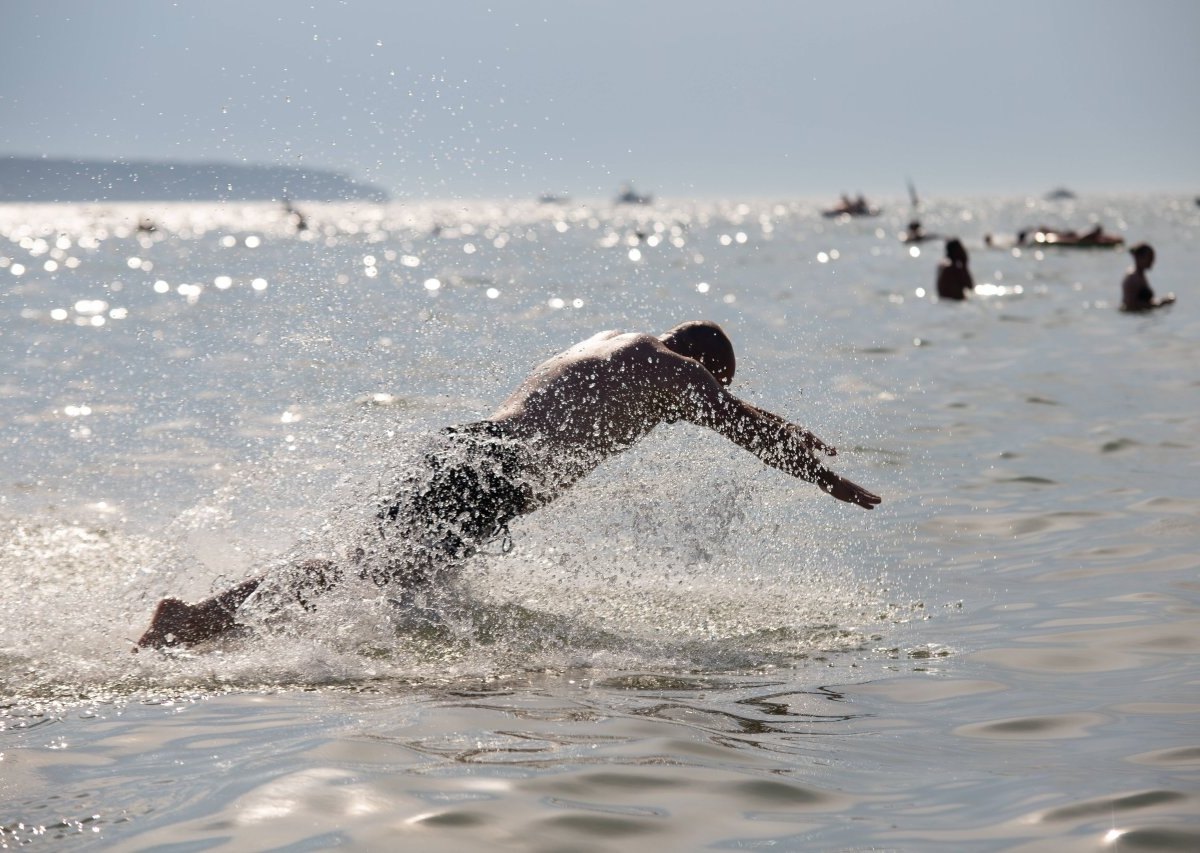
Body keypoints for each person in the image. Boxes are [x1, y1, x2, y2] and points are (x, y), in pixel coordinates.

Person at [135, 321, 882, 649]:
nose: (690, 415)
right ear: (701, 368)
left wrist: (793, 432)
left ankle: (211, 622)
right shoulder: (675, 375)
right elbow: (739, 424)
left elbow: (741, 414)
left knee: (374, 578)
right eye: (702, 397)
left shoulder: (614, 343)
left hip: (469, 451)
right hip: (492, 480)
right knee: (359, 575)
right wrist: (824, 479)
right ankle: (194, 618)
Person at [1120, 243, 1175, 311]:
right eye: (1149, 258)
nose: (1152, 261)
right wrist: (1160, 304)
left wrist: (1163, 301)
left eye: (1152, 258)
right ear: (1139, 258)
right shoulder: (1133, 278)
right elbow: (1130, 305)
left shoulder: (1140, 275)